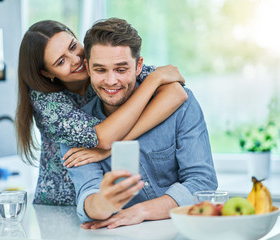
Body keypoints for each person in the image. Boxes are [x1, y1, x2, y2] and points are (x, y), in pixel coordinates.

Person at [60, 17, 218, 228]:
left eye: (121, 69)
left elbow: (202, 184)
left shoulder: (181, 105)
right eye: (100, 70)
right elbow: (89, 201)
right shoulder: (80, 130)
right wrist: (104, 201)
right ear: (87, 68)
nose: (111, 80)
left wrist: (142, 211)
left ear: (138, 66)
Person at [15, 20, 188, 206]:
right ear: (46, 72)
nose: (75, 60)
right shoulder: (47, 103)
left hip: (106, 198)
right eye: (61, 61)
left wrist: (155, 79)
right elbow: (104, 138)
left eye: (73, 47)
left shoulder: (103, 69)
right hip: (62, 204)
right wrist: (154, 80)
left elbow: (176, 93)